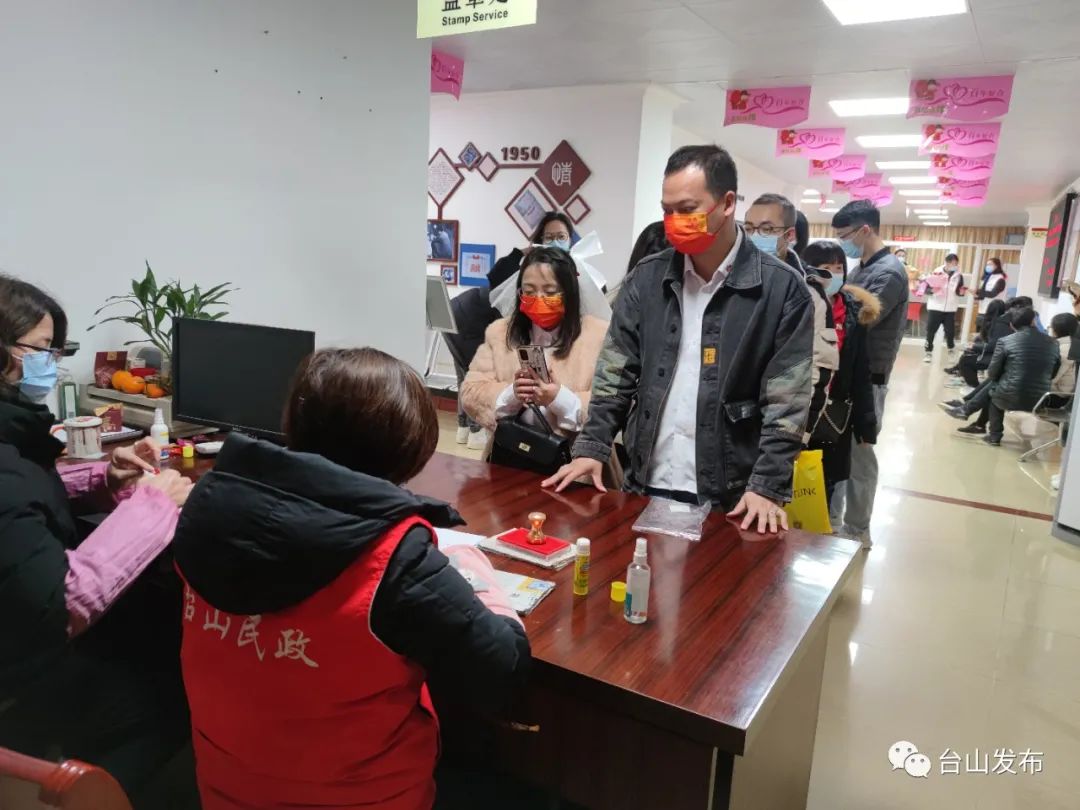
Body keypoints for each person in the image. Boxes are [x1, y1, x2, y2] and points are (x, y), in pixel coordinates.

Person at [174, 348, 531, 810]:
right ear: (409, 447)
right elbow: (503, 669)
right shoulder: (394, 557)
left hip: (225, 793)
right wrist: (475, 566)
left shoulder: (208, 508)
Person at [543, 145, 814, 534]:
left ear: (727, 203)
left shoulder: (780, 289)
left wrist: (767, 485)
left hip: (732, 495)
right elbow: (615, 374)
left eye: (687, 209)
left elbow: (787, 401)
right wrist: (592, 446)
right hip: (647, 480)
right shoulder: (646, 278)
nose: (674, 222)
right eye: (666, 211)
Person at [0, 275, 193, 797]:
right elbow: (63, 604)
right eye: (42, 350)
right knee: (177, 681)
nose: (51, 364)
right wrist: (155, 505)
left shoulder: (12, 445)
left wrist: (101, 479)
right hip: (24, 672)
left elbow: (22, 495)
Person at [461, 247, 607, 439]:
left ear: (569, 293)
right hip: (510, 450)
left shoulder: (602, 336)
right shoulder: (500, 333)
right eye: (529, 291)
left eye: (550, 292)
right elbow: (470, 392)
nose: (539, 299)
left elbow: (613, 403)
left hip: (576, 454)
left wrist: (559, 399)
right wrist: (511, 394)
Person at [829, 200, 910, 546]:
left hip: (870, 377)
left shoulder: (888, 272)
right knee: (840, 450)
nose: (843, 242)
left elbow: (861, 318)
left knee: (860, 454)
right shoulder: (862, 267)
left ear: (865, 230)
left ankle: (858, 528)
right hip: (848, 373)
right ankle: (834, 522)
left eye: (845, 235)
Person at [744, 194, 837, 427]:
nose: (755, 236)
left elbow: (818, 367)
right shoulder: (728, 280)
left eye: (767, 229)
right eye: (749, 229)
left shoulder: (808, 292)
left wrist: (796, 433)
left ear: (789, 235)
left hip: (776, 422)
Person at [802, 242, 879, 509]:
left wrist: (866, 422)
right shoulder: (795, 304)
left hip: (833, 414)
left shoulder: (853, 313)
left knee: (823, 486)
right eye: (826, 268)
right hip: (797, 408)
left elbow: (861, 370)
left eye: (839, 268)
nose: (834, 274)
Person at [444, 259, 521, 451]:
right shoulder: (511, 295)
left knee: (463, 376)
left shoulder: (504, 285)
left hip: (450, 316)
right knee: (475, 377)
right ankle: (476, 432)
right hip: (466, 324)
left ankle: (463, 428)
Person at [921, 253, 966, 362]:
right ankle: (928, 352)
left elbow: (959, 290)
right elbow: (925, 289)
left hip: (950, 308)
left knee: (950, 332)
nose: (954, 265)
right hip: (935, 307)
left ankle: (951, 351)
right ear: (946, 262)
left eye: (956, 263)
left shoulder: (959, 276)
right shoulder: (936, 273)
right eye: (952, 263)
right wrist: (931, 291)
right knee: (931, 331)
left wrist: (961, 292)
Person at [1049, 312, 1078, 394]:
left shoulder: (1062, 349)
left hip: (1060, 394)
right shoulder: (1074, 345)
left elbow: (1053, 379)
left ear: (1055, 330)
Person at [976, 258, 1008, 323]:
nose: (988, 266)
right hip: (983, 309)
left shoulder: (1000, 279)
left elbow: (992, 294)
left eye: (990, 264)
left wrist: (978, 291)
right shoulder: (986, 277)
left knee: (988, 328)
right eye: (987, 264)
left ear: (997, 266)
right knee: (980, 327)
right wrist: (976, 295)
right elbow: (983, 292)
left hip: (994, 310)